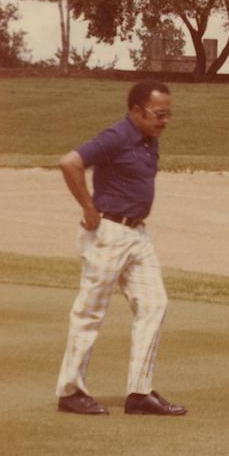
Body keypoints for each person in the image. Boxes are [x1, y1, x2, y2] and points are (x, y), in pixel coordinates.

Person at [54, 80, 186, 416]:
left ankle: (140, 393)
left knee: (154, 303)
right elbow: (70, 162)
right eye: (159, 114)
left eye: (168, 114)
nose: (165, 121)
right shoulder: (117, 136)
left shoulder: (148, 139)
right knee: (90, 311)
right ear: (137, 111)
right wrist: (88, 208)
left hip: (138, 235)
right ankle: (71, 391)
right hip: (108, 232)